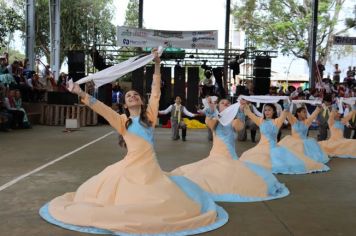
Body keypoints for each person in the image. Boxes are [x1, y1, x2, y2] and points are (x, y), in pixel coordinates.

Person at [39, 49, 228, 235]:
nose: (132, 96)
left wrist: (156, 63)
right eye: (128, 96)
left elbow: (156, 93)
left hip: (150, 169)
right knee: (129, 201)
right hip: (130, 168)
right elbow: (102, 108)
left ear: (140, 101)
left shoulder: (150, 117)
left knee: (160, 200)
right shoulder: (122, 121)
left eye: (135, 94)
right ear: (125, 104)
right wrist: (81, 93)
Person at [171, 98, 289, 202]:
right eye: (223, 103)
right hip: (215, 157)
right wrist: (214, 113)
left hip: (231, 158)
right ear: (219, 106)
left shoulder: (233, 120)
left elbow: (239, 127)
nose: (226, 104)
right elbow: (211, 125)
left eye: (228, 103)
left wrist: (241, 112)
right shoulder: (213, 116)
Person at [239, 101, 329, 174]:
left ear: (273, 111)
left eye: (269, 110)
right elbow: (249, 113)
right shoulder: (260, 121)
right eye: (265, 110)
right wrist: (245, 104)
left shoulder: (277, 121)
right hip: (261, 147)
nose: (267, 112)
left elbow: (285, 113)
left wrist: (287, 106)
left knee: (282, 163)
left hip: (273, 147)